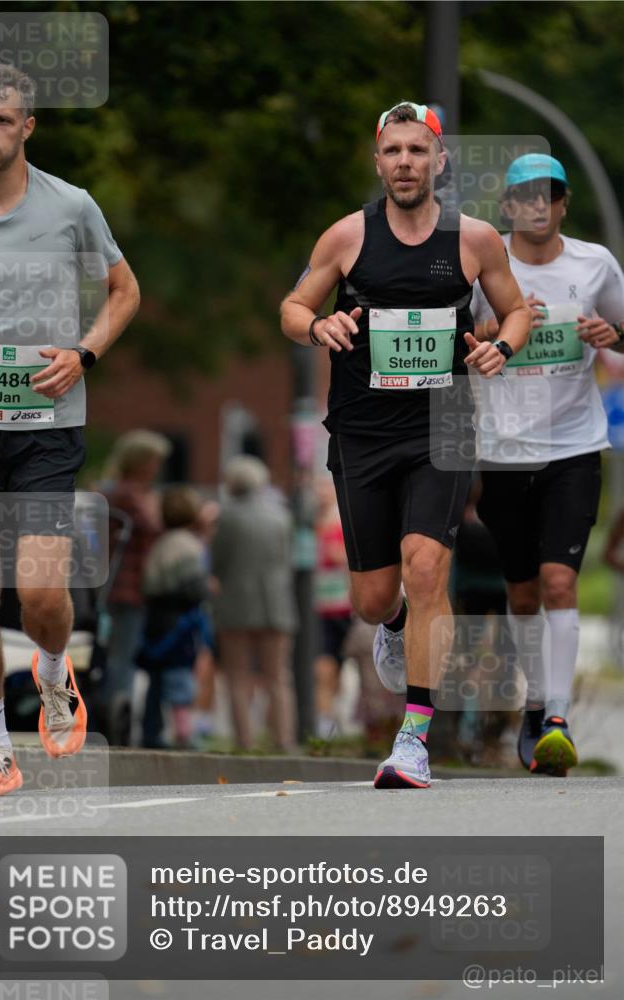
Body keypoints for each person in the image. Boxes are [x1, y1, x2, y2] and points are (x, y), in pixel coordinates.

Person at [280, 101, 530, 789]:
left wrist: (500, 348)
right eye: (392, 151)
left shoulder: (473, 240)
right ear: (377, 160)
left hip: (441, 427)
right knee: (371, 598)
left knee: (426, 571)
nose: (404, 163)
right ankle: (390, 623)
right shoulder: (345, 238)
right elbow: (293, 306)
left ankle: (412, 738)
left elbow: (514, 311)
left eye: (417, 151)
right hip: (360, 430)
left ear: (438, 160)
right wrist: (314, 329)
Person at [0, 64, 140, 796]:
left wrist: (85, 351)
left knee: (37, 594)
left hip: (46, 424)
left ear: (28, 126)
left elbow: (125, 291)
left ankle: (56, 669)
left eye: (3, 121)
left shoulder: (72, 207)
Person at [471, 153, 624, 776]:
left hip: (574, 447)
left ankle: (558, 716)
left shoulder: (594, 263)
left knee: (560, 580)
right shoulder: (484, 261)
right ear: (507, 207)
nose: (538, 206)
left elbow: (623, 323)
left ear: (563, 205)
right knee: (523, 590)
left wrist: (611, 335)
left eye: (550, 196)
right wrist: (489, 327)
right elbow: (457, 336)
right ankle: (534, 704)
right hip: (502, 450)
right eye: (525, 196)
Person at [211, 456, 297, 751]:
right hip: (276, 602)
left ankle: (245, 741)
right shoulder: (281, 516)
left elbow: (217, 562)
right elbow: (287, 559)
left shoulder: (226, 516)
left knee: (237, 676)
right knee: (278, 677)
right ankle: (284, 739)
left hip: (236, 603)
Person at [99, 430, 170, 723]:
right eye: (154, 461)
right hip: (125, 588)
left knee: (116, 654)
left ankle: (113, 713)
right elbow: (155, 528)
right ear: (140, 462)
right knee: (121, 657)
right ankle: (116, 718)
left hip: (116, 586)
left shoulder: (112, 490)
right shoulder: (128, 494)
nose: (158, 467)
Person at [137, 486, 213, 749]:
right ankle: (183, 731)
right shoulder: (190, 546)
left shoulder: (161, 543)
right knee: (180, 676)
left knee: (156, 679)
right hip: (180, 621)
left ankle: (151, 731)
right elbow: (194, 588)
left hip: (156, 618)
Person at [313, 477, 352, 738]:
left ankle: (333, 715)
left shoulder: (345, 524)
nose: (324, 496)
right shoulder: (309, 526)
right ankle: (325, 720)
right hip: (321, 608)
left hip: (346, 608)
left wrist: (343, 557)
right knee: (324, 667)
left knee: (338, 667)